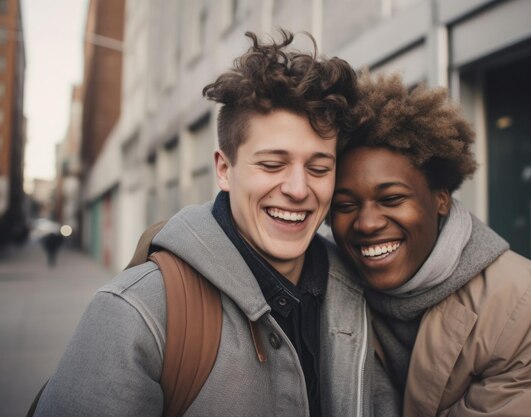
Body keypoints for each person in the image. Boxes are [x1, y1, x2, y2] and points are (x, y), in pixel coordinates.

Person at [34, 31, 385, 417]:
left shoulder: (363, 289)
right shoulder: (136, 312)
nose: (299, 189)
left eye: (319, 168)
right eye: (272, 165)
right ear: (223, 168)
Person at [330, 73, 531, 417]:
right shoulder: (318, 284)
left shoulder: (523, 303)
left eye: (391, 198)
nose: (367, 223)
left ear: (441, 200)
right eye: (345, 206)